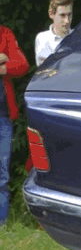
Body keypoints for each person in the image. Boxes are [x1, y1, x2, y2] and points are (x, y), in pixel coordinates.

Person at [0, 24, 29, 225]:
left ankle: (1, 224)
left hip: (3, 117)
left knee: (2, 174)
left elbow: (22, 64)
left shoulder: (5, 33)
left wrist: (3, 66)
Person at [34, 0, 73, 66]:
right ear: (51, 14)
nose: (67, 21)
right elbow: (49, 68)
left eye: (69, 15)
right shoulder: (43, 38)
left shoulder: (79, 36)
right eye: (62, 15)